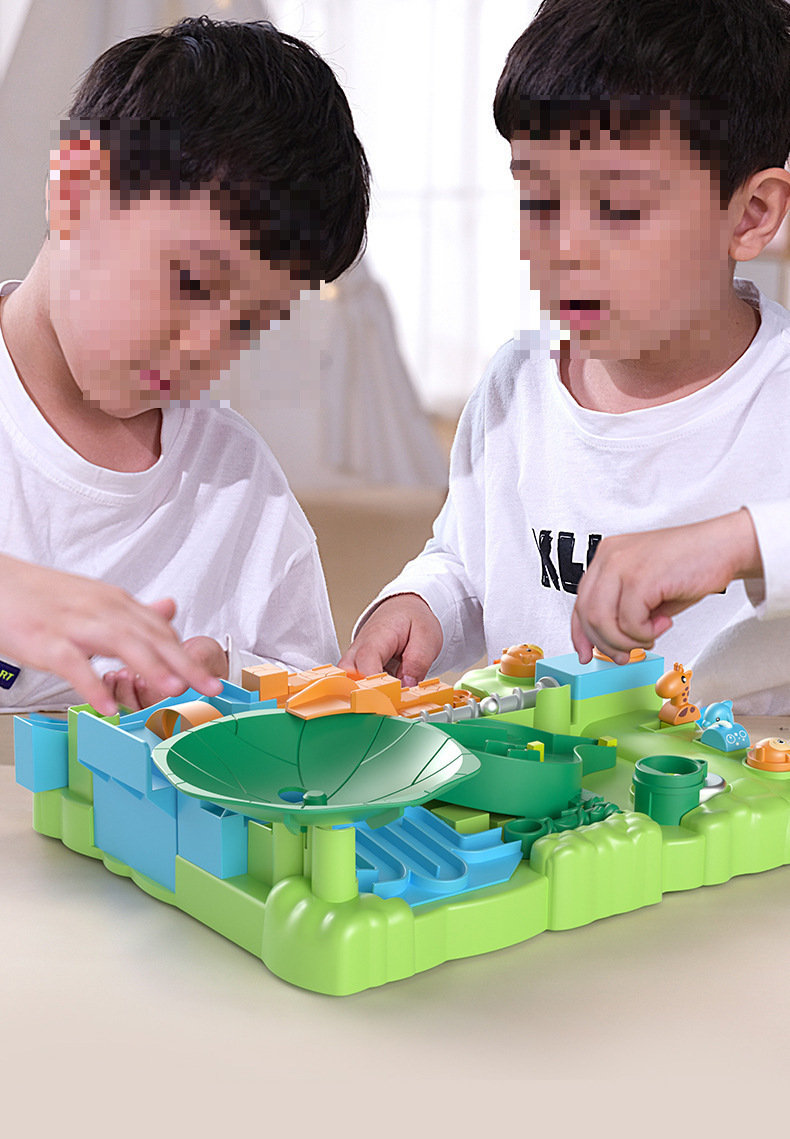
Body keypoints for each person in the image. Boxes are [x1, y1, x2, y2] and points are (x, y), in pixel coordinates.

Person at [340, 0, 790, 715]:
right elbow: (466, 562)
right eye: (539, 198)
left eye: (620, 207)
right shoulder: (515, 388)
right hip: (540, 779)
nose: (567, 248)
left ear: (751, 215)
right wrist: (421, 603)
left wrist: (737, 543)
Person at [0, 17, 369, 715]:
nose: (205, 347)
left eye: (248, 323)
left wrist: (231, 680)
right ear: (77, 189)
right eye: (192, 282)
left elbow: (312, 698)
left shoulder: (238, 486)